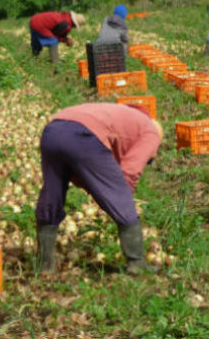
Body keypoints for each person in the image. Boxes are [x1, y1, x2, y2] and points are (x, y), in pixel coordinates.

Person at [35, 103, 164, 274]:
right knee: (121, 196)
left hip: (52, 131)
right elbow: (130, 170)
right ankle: (137, 263)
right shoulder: (151, 133)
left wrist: (98, 188)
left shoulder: (121, 116)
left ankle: (45, 265)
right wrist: (120, 200)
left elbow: (82, 170)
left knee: (52, 194)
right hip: (83, 135)